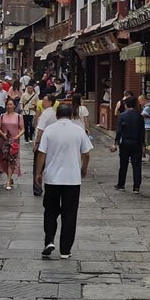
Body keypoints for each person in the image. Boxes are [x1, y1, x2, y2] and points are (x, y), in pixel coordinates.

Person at [35, 103, 93, 259]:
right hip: (72, 180)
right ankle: (65, 250)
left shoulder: (49, 130)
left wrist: (38, 173)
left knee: (50, 211)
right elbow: (86, 153)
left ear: (57, 115)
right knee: (70, 214)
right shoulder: (78, 130)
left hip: (52, 179)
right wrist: (83, 168)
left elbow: (41, 153)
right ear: (71, 115)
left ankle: (49, 240)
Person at [112, 94, 146, 193]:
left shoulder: (122, 116)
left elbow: (119, 131)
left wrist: (115, 143)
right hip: (137, 143)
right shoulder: (140, 116)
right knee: (137, 166)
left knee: (123, 164)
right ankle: (136, 187)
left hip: (125, 143)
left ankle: (121, 184)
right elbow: (142, 132)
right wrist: (143, 145)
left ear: (126, 105)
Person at [32, 94, 57, 196]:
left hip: (42, 143)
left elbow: (40, 130)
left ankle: (37, 187)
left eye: (45, 100)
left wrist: (37, 143)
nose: (42, 101)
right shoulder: (54, 114)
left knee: (38, 166)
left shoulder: (46, 114)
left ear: (50, 102)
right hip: (51, 143)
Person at [0, 99, 24, 189]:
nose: (9, 106)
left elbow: (22, 129)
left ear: (14, 106)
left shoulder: (19, 116)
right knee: (5, 160)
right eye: (8, 104)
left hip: (14, 142)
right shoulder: (2, 116)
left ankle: (8, 180)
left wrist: (17, 136)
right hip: (4, 141)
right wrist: (2, 134)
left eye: (11, 104)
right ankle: (9, 176)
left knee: (12, 160)